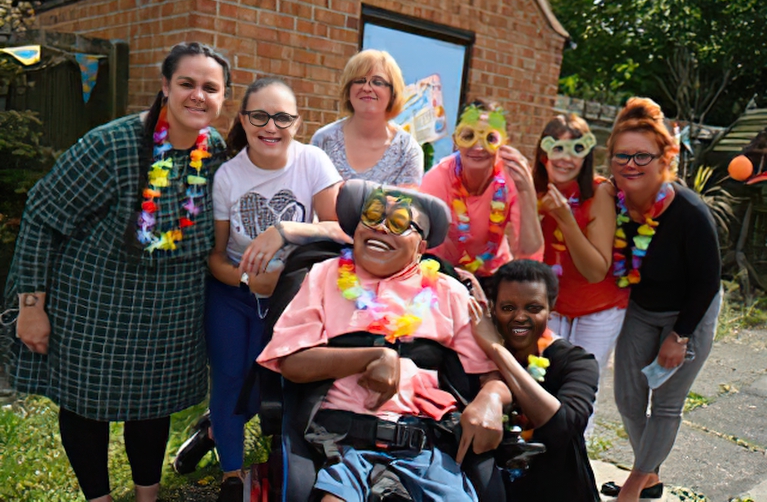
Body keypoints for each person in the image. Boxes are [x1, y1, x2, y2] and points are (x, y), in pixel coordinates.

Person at [3, 42, 230, 502]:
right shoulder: (112, 145)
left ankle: (148, 497)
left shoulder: (216, 151)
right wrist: (31, 307)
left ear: (224, 97)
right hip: (96, 310)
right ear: (165, 87)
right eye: (186, 83)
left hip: (169, 318)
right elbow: (43, 215)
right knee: (87, 409)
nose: (197, 96)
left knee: (153, 409)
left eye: (211, 88)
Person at [257, 181, 511, 501]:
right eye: (373, 215)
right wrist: (373, 357)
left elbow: (492, 375)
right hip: (340, 442)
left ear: (421, 246)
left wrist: (491, 398)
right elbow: (291, 362)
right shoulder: (323, 276)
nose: (380, 228)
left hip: (427, 448)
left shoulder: (451, 292)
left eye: (399, 222)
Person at [204, 77, 343, 501]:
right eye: (260, 115)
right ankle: (231, 474)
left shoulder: (313, 162)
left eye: (282, 117)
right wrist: (248, 278)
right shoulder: (228, 176)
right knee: (230, 379)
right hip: (234, 295)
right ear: (243, 120)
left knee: (276, 386)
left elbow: (342, 230)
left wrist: (286, 230)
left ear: (297, 123)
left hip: (294, 299)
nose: (271, 126)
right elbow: (214, 257)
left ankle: (275, 459)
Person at [603, 98, 722, 502]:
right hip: (642, 308)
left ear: (663, 159)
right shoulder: (613, 203)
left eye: (642, 156)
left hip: (690, 311)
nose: (630, 164)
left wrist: (681, 335)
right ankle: (650, 474)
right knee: (628, 399)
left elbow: (707, 280)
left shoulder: (689, 210)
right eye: (622, 155)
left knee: (666, 405)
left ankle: (636, 484)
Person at [473, 259, 600, 501]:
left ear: (551, 310)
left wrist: (498, 353)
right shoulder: (473, 358)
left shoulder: (576, 362)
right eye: (508, 307)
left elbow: (562, 427)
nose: (520, 317)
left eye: (533, 308)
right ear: (493, 309)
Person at [533, 114, 629, 432]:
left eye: (576, 148)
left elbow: (595, 270)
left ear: (587, 153)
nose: (566, 157)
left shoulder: (599, 192)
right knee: (541, 382)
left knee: (581, 389)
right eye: (556, 148)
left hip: (597, 306)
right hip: (551, 303)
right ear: (543, 153)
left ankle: (576, 467)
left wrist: (565, 219)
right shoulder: (530, 192)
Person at [419, 99, 543, 281]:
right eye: (468, 136)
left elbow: (530, 257)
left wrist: (527, 192)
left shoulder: (512, 178)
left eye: (490, 138)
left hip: (493, 276)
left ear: (504, 142)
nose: (478, 147)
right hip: (443, 274)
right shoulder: (438, 179)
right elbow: (422, 250)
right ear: (455, 141)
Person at [311, 49, 423, 186]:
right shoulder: (323, 141)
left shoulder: (407, 151)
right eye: (359, 80)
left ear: (393, 93)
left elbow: (403, 205)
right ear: (348, 89)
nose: (366, 88)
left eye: (377, 82)